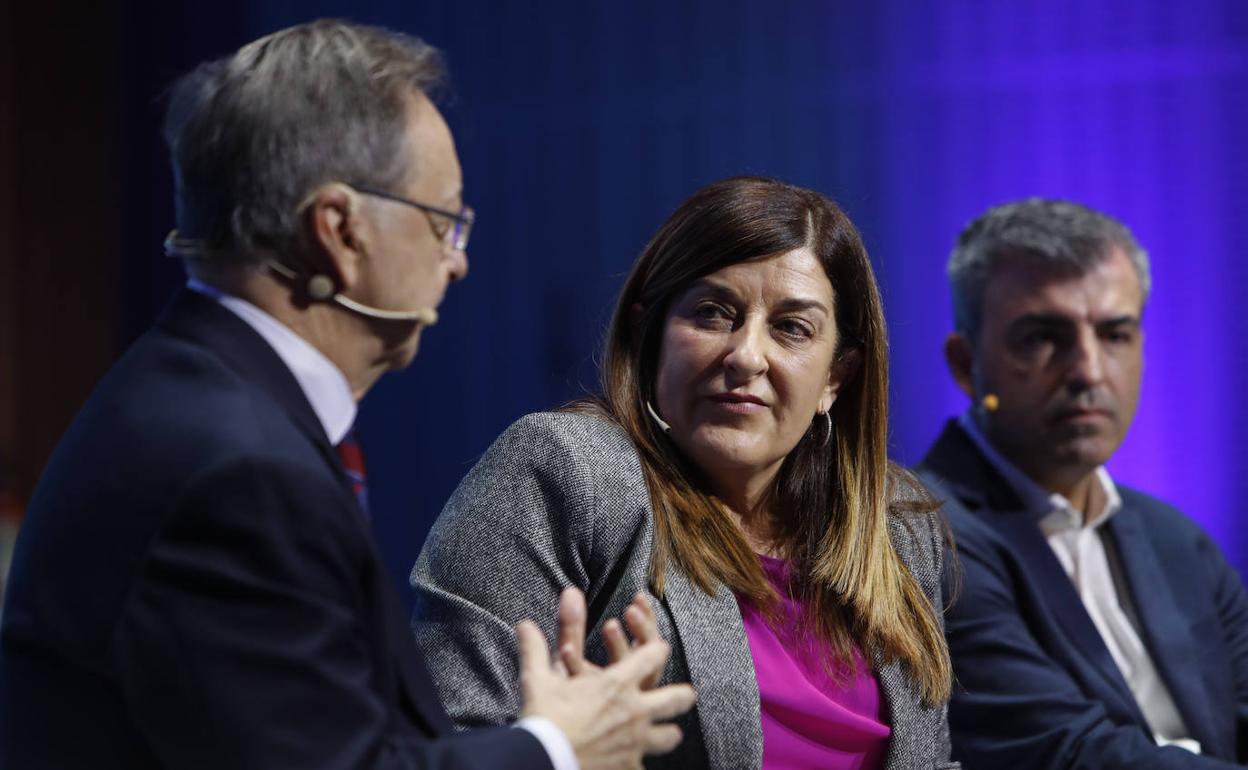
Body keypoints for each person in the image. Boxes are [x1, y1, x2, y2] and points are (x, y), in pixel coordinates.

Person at [0, 20, 695, 770]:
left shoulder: (195, 396)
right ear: (339, 229)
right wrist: (557, 747)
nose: (456, 265)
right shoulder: (234, 469)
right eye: (444, 223)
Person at [412, 176, 956, 769]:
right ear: (651, 338)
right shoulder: (571, 472)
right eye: (713, 313)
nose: (746, 356)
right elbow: (456, 740)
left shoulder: (895, 527)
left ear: (836, 378)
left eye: (791, 328)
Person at [914, 198, 1248, 769]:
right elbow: (1066, 755)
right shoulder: (923, 533)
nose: (1089, 371)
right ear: (966, 365)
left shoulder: (1177, 541)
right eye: (1043, 337)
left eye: (1115, 334)